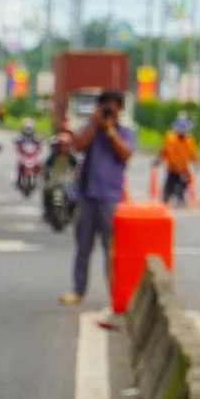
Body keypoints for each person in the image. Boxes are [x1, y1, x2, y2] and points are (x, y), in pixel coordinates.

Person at [59, 89, 136, 306]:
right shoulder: (91, 129)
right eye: (104, 108)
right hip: (87, 195)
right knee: (83, 246)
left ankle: (115, 293)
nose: (108, 112)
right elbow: (79, 146)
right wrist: (94, 124)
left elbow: (125, 154)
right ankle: (78, 290)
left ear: (120, 110)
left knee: (111, 250)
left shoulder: (125, 132)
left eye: (112, 108)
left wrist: (110, 130)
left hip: (110, 197)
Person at [159, 114, 199, 208]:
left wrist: (196, 163)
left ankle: (181, 204)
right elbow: (165, 151)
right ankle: (164, 203)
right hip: (172, 169)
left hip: (183, 169)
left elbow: (192, 153)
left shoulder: (189, 141)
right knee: (168, 187)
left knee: (182, 188)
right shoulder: (170, 138)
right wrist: (159, 160)